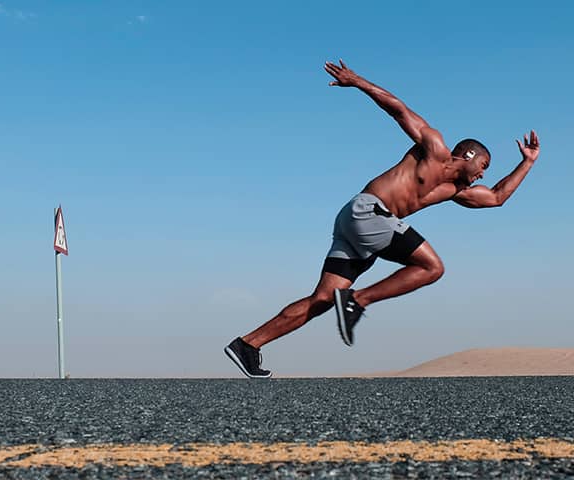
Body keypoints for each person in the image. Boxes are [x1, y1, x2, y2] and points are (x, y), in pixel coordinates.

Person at [225, 59, 541, 378]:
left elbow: (497, 197)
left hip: (360, 226)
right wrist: (357, 81)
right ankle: (358, 301)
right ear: (469, 156)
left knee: (323, 299)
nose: (483, 174)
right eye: (484, 166)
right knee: (432, 267)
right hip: (368, 211)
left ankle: (248, 344)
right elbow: (398, 109)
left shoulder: (455, 190)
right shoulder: (433, 147)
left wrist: (527, 163)